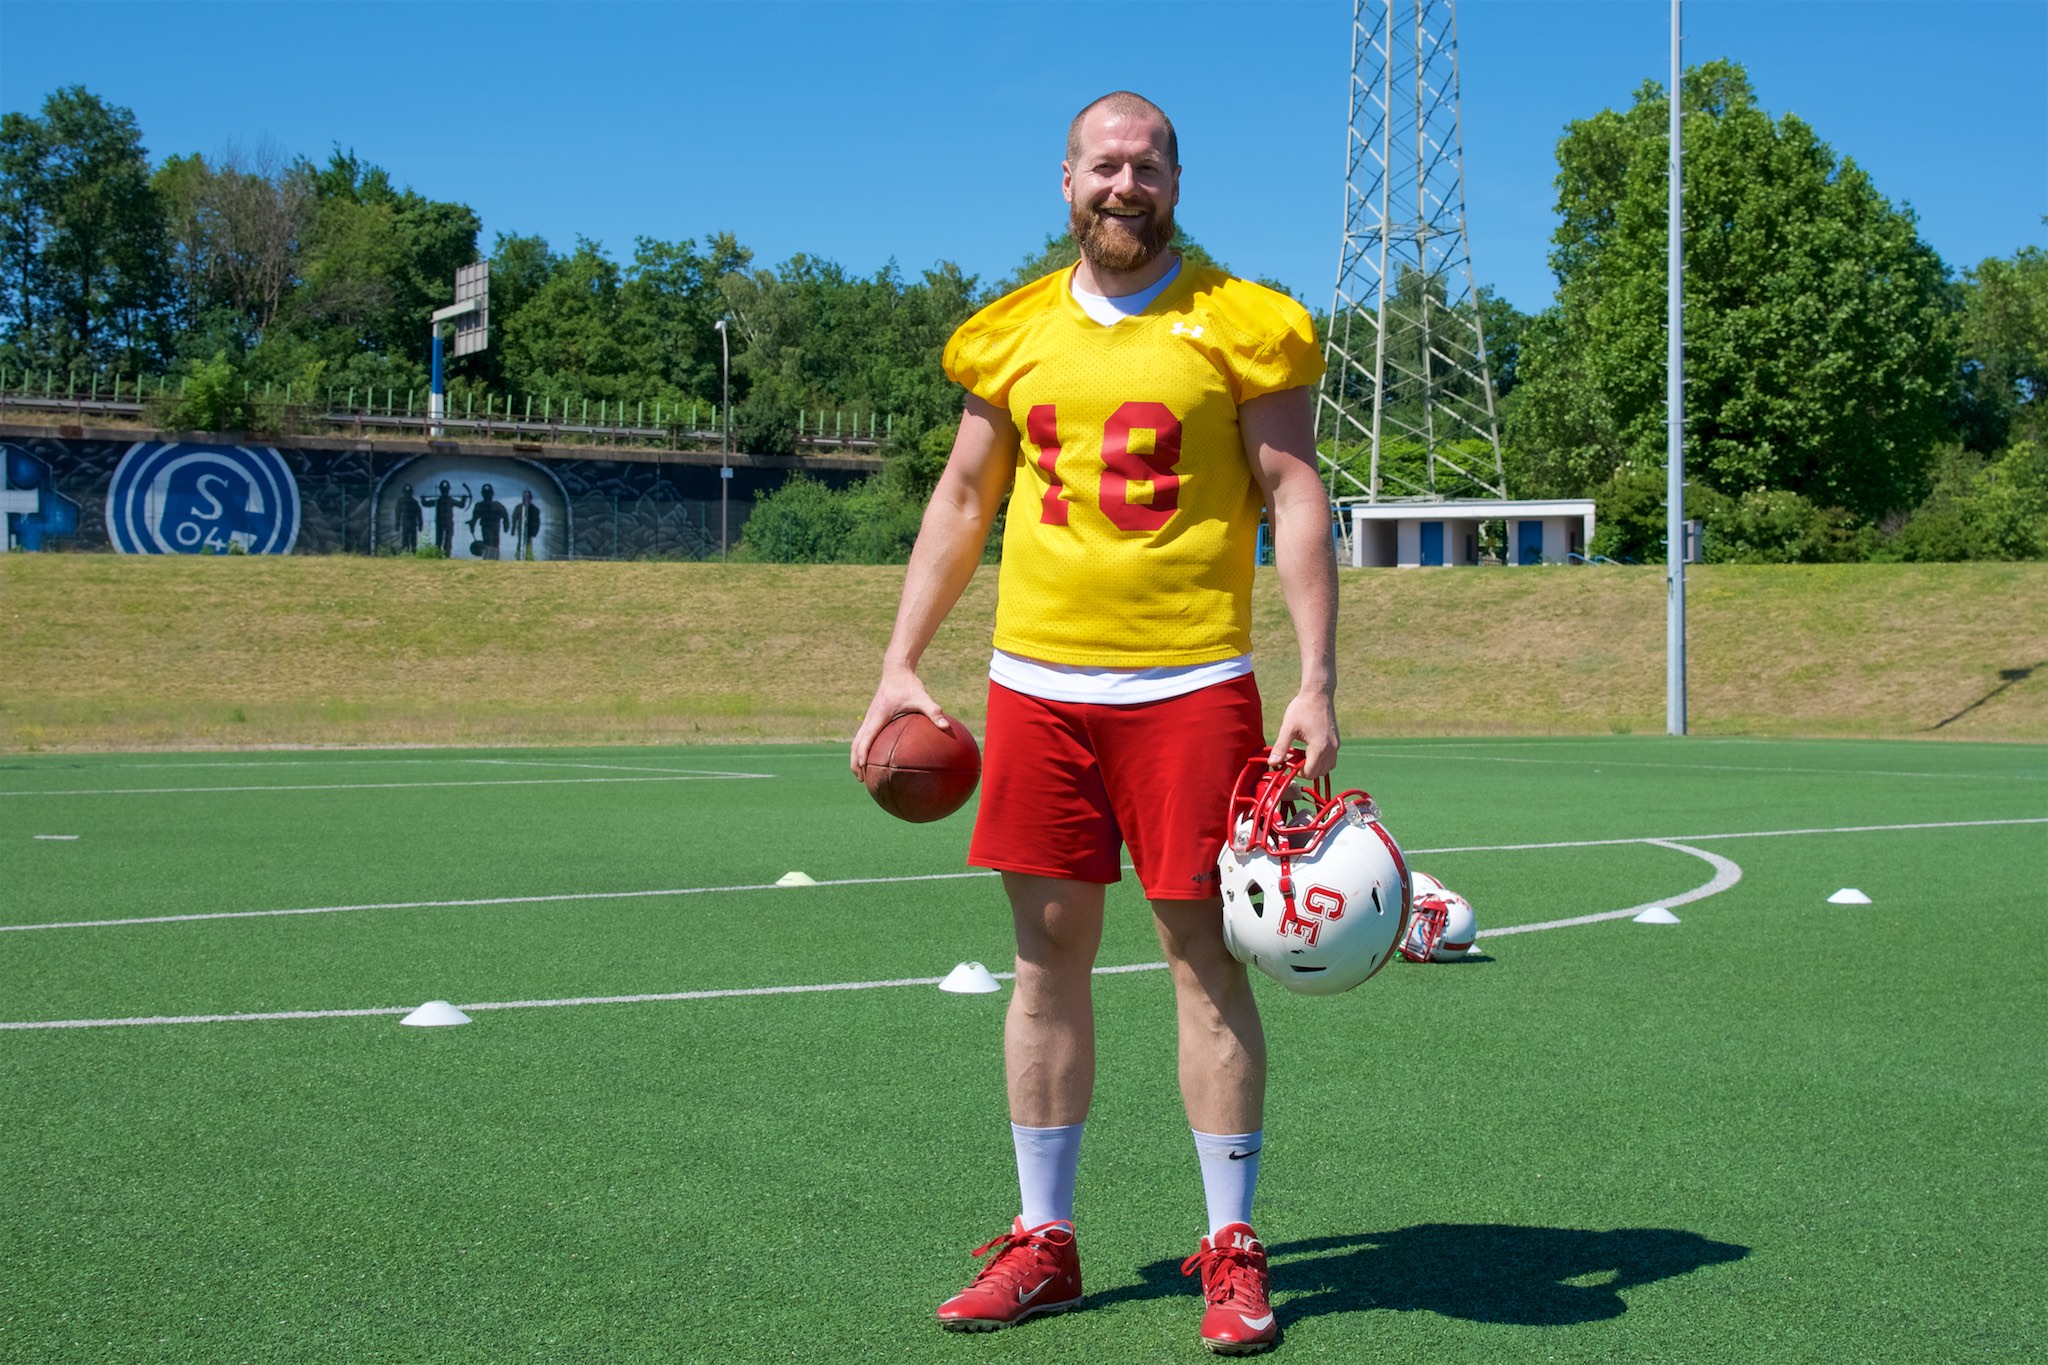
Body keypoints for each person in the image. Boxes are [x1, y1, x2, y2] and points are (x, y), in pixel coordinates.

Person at [850, 90, 1338, 1355]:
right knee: (1043, 959)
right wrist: (899, 665)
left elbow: (1293, 497)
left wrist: (1315, 681)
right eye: (1103, 165)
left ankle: (1230, 1245)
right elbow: (963, 500)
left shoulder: (1243, 324)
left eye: (1148, 165)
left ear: (1178, 180)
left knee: (1202, 959)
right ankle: (1044, 1240)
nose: (1125, 184)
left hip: (1188, 688)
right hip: (1039, 688)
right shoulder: (1007, 336)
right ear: (1062, 181)